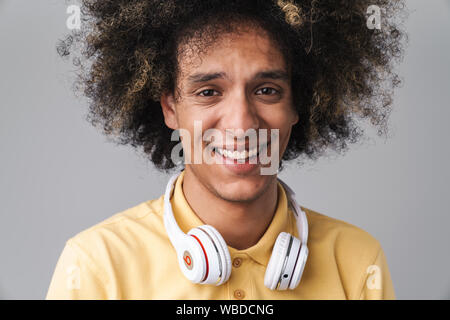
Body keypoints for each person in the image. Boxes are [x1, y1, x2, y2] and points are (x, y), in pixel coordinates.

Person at [46, 0, 405, 299]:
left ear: (299, 104)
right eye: (208, 92)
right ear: (170, 107)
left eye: (266, 90)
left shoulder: (358, 263)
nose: (241, 124)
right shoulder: (97, 266)